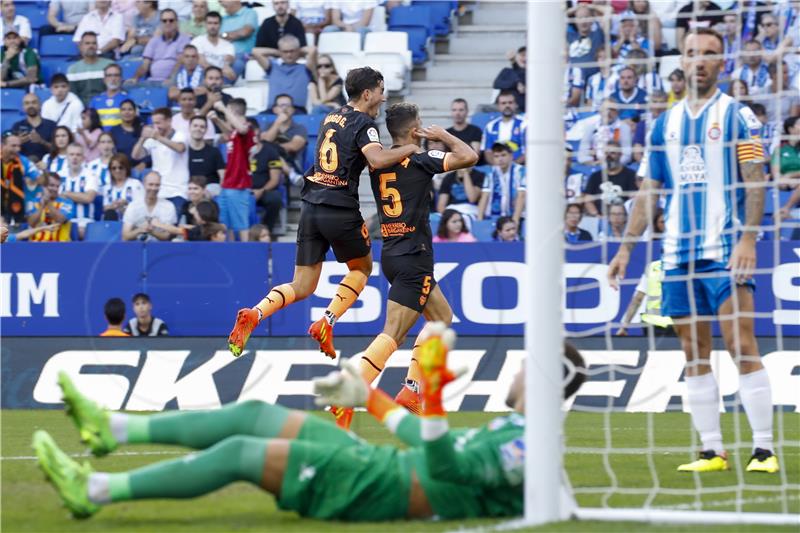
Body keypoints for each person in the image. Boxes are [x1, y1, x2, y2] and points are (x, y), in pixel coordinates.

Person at [32, 324, 586, 521]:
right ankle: (113, 428)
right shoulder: (519, 435)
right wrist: (366, 395)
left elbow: (443, 463)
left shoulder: (529, 447)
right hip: (389, 465)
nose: (517, 367)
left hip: (380, 489)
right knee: (254, 414)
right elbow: (425, 441)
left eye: (528, 364)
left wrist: (435, 395)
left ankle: (94, 490)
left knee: (240, 454)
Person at [607, 28, 778, 474]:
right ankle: (712, 451)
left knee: (742, 343)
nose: (698, 60)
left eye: (708, 54)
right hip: (678, 254)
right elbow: (648, 192)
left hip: (725, 249)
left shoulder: (741, 117)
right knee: (693, 352)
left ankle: (763, 449)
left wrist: (748, 238)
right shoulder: (665, 125)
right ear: (680, 62)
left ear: (723, 62)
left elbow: (756, 176)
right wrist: (626, 250)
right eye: (691, 53)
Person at [227, 67, 420, 361]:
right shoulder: (365, 124)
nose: (383, 98)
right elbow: (377, 160)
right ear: (367, 93)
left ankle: (254, 313)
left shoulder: (330, 117)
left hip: (310, 207)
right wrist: (409, 149)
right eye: (381, 91)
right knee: (361, 268)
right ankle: (326, 323)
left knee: (301, 285)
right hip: (340, 208)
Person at [354, 104, 477, 421]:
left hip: (392, 252)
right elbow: (469, 157)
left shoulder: (377, 164)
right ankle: (352, 390)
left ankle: (412, 390)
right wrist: (444, 135)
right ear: (414, 130)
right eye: (421, 123)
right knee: (393, 333)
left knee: (441, 318)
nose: (425, 127)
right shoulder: (423, 161)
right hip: (414, 255)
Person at [131, 107, 189, 214]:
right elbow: (136, 155)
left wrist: (158, 138)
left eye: (159, 123)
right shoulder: (152, 140)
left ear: (169, 121)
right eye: (154, 123)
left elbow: (180, 148)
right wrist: (142, 138)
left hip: (177, 191)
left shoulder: (180, 135)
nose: (156, 126)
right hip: (158, 191)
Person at [215, 98, 257, 242]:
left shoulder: (247, 128)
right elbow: (229, 133)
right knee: (227, 226)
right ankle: (231, 253)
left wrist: (223, 108)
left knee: (241, 225)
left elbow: (241, 129)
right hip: (227, 184)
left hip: (239, 185)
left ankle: (245, 254)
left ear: (232, 111)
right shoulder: (235, 133)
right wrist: (216, 120)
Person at [126, 9, 192, 85]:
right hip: (152, 81)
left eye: (171, 20)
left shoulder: (184, 39)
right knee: (128, 85)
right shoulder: (154, 41)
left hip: (174, 82)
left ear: (177, 22)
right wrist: (135, 78)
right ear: (160, 23)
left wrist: (171, 78)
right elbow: (145, 65)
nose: (168, 23)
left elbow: (180, 62)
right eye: (164, 21)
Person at [253, 34, 314, 112]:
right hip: (273, 110)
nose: (289, 54)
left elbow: (313, 50)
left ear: (298, 51)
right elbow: (255, 52)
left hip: (297, 111)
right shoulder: (272, 67)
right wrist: (278, 52)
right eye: (285, 51)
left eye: (292, 51)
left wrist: (298, 51)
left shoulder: (305, 68)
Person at [583, 140, 638, 217]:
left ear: (620, 154)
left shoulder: (631, 175)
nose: (608, 156)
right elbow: (588, 200)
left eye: (612, 153)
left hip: (624, 218)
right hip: (600, 218)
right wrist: (597, 216)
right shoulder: (595, 176)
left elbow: (633, 200)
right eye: (606, 153)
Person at [477, 142, 526, 226]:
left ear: (511, 156)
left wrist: (515, 220)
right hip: (494, 216)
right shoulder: (491, 173)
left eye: (503, 155)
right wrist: (479, 220)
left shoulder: (521, 171)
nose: (500, 159)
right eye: (496, 156)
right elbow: (485, 196)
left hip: (518, 216)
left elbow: (522, 196)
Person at [249, 120, 284, 233]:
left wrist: (260, 190)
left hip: (264, 190)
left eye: (252, 131)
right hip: (243, 190)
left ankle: (265, 232)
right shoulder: (239, 151)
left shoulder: (270, 151)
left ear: (257, 131)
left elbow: (274, 180)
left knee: (275, 199)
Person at [122, 171, 178, 241]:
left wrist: (152, 231)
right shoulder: (133, 206)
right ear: (144, 184)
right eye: (150, 184)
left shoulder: (168, 206)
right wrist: (140, 230)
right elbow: (125, 236)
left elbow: (167, 236)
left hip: (161, 248)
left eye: (157, 185)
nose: (153, 188)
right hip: (137, 247)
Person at [59, 143, 98, 238]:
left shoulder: (90, 175)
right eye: (71, 154)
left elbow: (89, 198)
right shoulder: (59, 175)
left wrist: (66, 194)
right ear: (67, 157)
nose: (74, 158)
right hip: (62, 220)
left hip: (84, 221)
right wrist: (79, 196)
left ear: (83, 158)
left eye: (78, 155)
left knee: (79, 232)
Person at [260, 93, 308, 170]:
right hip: (268, 166)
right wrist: (277, 123)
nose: (285, 109)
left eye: (288, 106)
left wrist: (271, 148)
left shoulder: (300, 128)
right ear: (275, 110)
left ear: (293, 110)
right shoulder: (268, 126)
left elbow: (294, 146)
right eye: (282, 105)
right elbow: (265, 141)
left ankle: (293, 176)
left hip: (291, 165)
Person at [1, 132, 41, 224]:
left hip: (15, 209)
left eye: (19, 146)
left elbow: (40, 179)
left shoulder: (23, 161)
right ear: (3, 145)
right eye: (13, 146)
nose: (17, 149)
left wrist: (44, 171)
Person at [68, 32, 114, 106]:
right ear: (80, 47)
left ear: (97, 46)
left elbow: (115, 91)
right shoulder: (73, 70)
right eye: (87, 43)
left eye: (94, 43)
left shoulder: (110, 65)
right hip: (82, 110)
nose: (91, 46)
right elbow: (72, 97)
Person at [480, 90, 526, 165]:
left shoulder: (525, 124)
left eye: (510, 103)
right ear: (498, 106)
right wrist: (498, 167)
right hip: (497, 169)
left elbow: (528, 151)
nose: (507, 106)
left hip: (521, 169)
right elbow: (488, 152)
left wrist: (511, 168)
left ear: (516, 105)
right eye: (503, 103)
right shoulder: (490, 126)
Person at [25, 171, 73, 242]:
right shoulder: (32, 202)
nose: (55, 189)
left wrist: (48, 202)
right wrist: (42, 206)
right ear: (43, 186)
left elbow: (60, 219)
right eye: (52, 185)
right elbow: (31, 223)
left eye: (57, 186)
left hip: (60, 247)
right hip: (36, 246)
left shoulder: (67, 202)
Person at [191, 11, 236, 82]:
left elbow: (228, 61)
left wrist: (226, 66)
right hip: (202, 76)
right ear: (205, 24)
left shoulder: (228, 45)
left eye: (215, 23)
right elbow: (202, 63)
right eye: (210, 23)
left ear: (220, 25)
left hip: (221, 79)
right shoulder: (197, 41)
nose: (212, 26)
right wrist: (220, 72)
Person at [12, 93, 56, 163]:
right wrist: (18, 142)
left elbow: (58, 149)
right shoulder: (17, 126)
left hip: (47, 164)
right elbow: (9, 150)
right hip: (23, 166)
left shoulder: (52, 125)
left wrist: (41, 141)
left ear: (40, 105)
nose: (30, 105)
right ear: (23, 107)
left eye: (34, 102)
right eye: (27, 103)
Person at [186, 116, 225, 195]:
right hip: (188, 188)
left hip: (210, 189)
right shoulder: (183, 151)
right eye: (195, 126)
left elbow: (223, 176)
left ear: (206, 130)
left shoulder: (214, 152)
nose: (198, 129)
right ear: (189, 128)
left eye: (202, 127)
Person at [102, 153, 143, 220]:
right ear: (110, 170)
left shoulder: (135, 184)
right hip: (113, 222)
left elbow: (141, 207)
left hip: (132, 222)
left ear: (126, 168)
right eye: (114, 168)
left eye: (120, 167)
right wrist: (114, 206)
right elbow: (105, 208)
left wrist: (127, 204)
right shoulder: (107, 187)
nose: (117, 170)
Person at [90, 64, 128, 131]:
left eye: (116, 75)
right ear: (104, 79)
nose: (113, 79)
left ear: (121, 78)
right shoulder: (95, 101)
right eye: (109, 75)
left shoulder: (128, 100)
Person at [109, 99, 143, 164]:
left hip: (140, 168)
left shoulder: (143, 130)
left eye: (130, 109)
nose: (127, 112)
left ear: (135, 112)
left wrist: (144, 163)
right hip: (120, 166)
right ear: (120, 112)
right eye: (123, 110)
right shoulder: (114, 130)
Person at [493, 46, 526, 112]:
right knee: (481, 108)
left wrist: (514, 63)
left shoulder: (533, 75)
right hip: (500, 106)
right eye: (522, 55)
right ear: (517, 56)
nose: (525, 58)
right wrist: (516, 84)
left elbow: (521, 76)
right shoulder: (507, 71)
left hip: (518, 108)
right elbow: (496, 84)